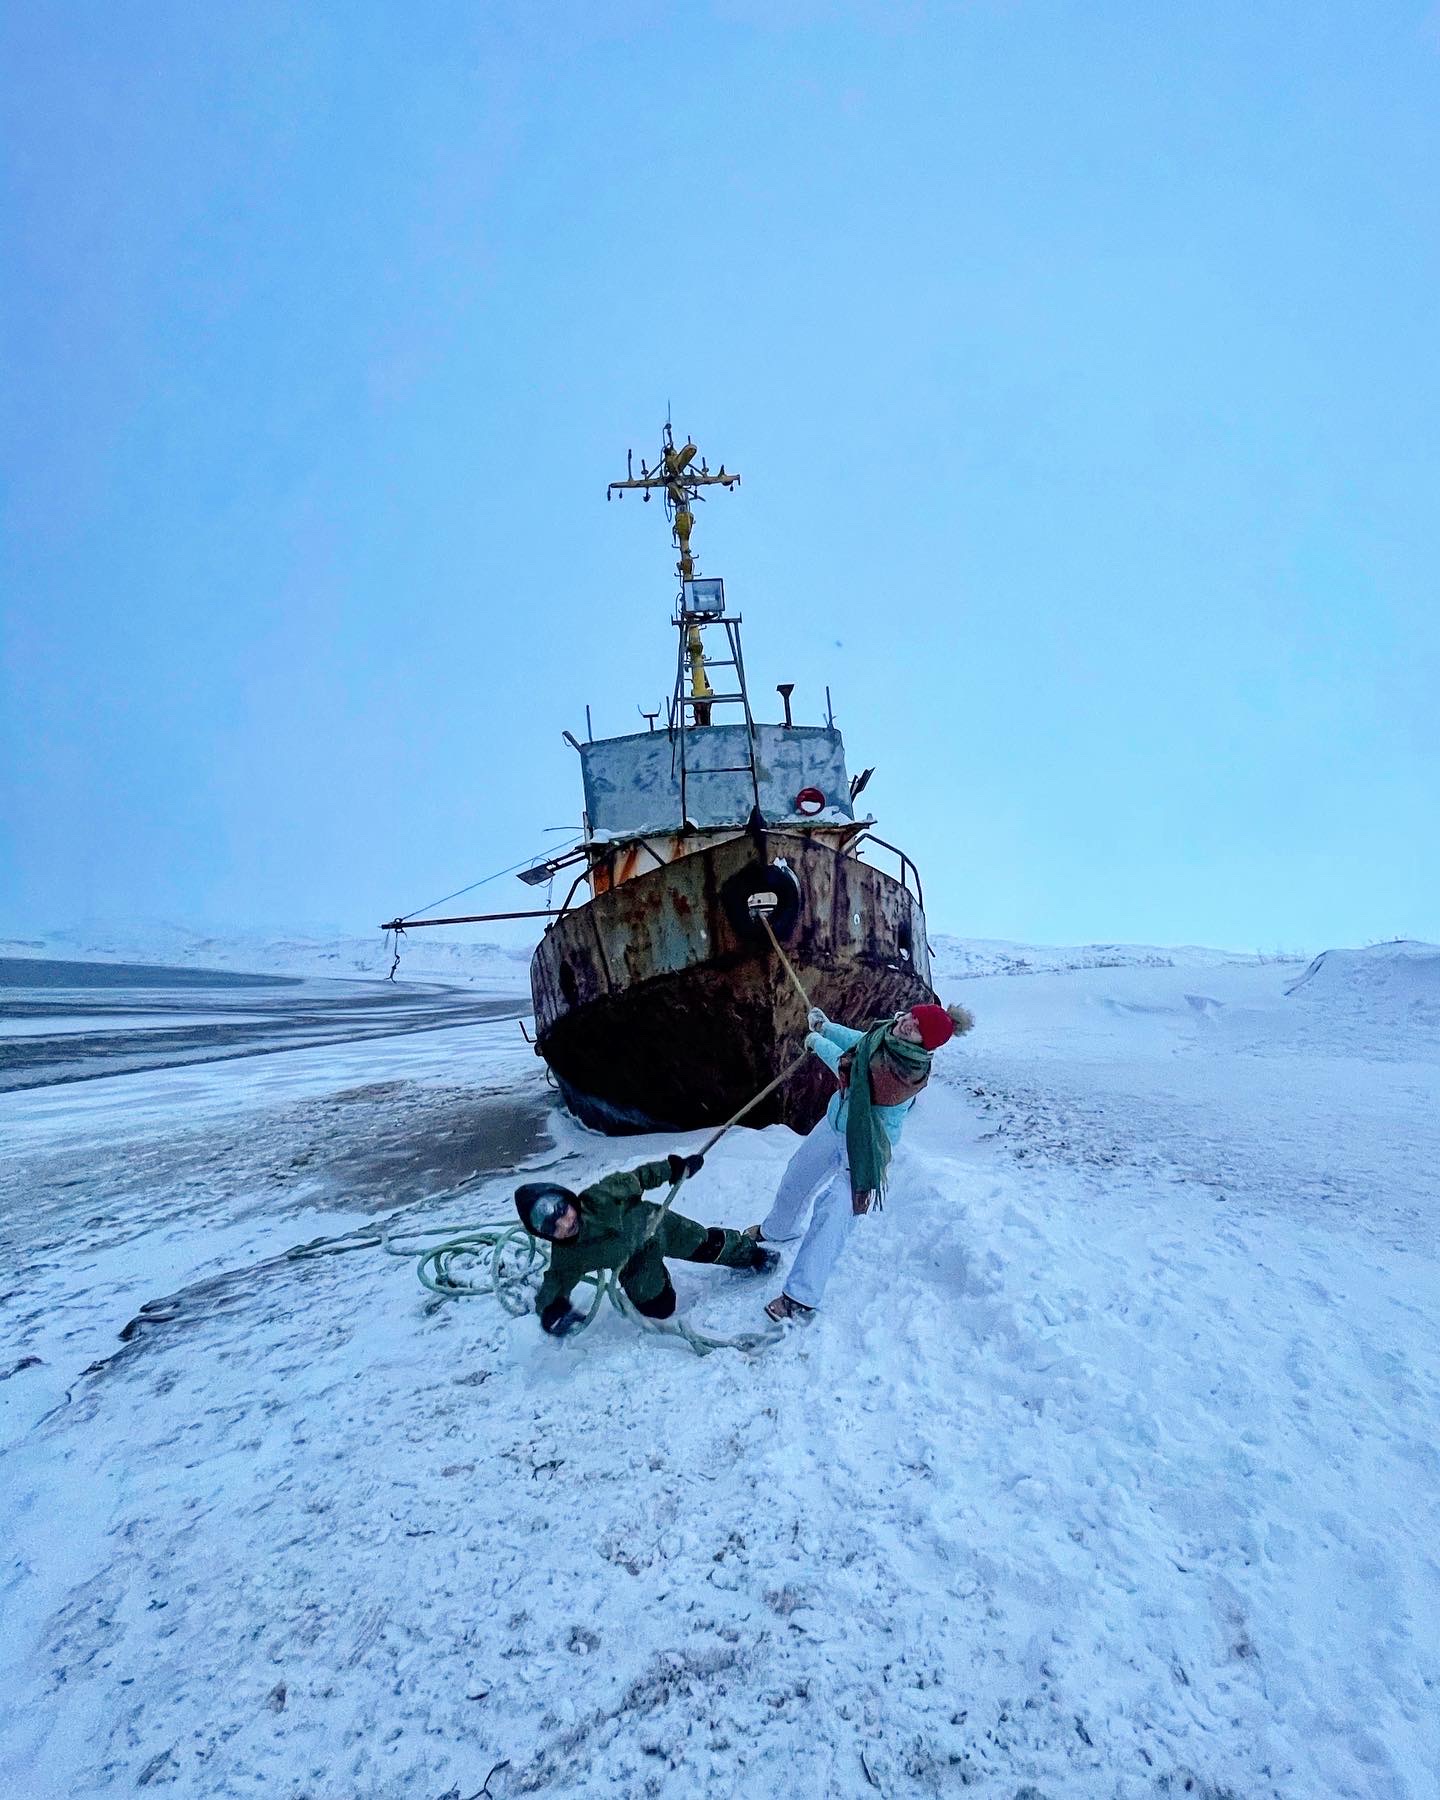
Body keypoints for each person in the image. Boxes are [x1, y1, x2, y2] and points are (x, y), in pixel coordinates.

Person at [749, 1000, 974, 1323]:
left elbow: (855, 1072)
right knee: (798, 1174)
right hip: (835, 1121)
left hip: (865, 1144)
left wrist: (816, 1043)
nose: (908, 1023)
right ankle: (777, 1230)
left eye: (918, 1028)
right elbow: (859, 1042)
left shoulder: (907, 1071)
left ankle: (801, 1297)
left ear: (925, 1046)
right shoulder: (887, 1035)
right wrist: (826, 1027)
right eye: (912, 1016)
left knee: (833, 1213)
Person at [515, 1152, 778, 1336]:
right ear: (545, 1235)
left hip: (660, 1226)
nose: (563, 1224)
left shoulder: (601, 1196)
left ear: (568, 1199)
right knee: (659, 1308)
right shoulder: (568, 1254)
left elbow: (640, 1177)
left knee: (707, 1245)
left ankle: (750, 1253)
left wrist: (675, 1169)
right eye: (551, 1227)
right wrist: (551, 1310)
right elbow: (556, 1280)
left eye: (562, 1211)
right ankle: (658, 1275)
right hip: (636, 1262)